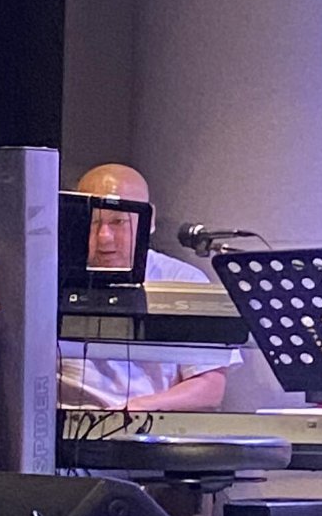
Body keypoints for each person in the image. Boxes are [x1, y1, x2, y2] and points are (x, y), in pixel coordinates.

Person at [58, 161, 237, 412]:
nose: (104, 237)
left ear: (148, 220)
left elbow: (209, 388)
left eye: (118, 222)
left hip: (147, 423)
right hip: (59, 424)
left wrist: (134, 409)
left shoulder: (182, 280)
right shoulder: (49, 277)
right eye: (93, 222)